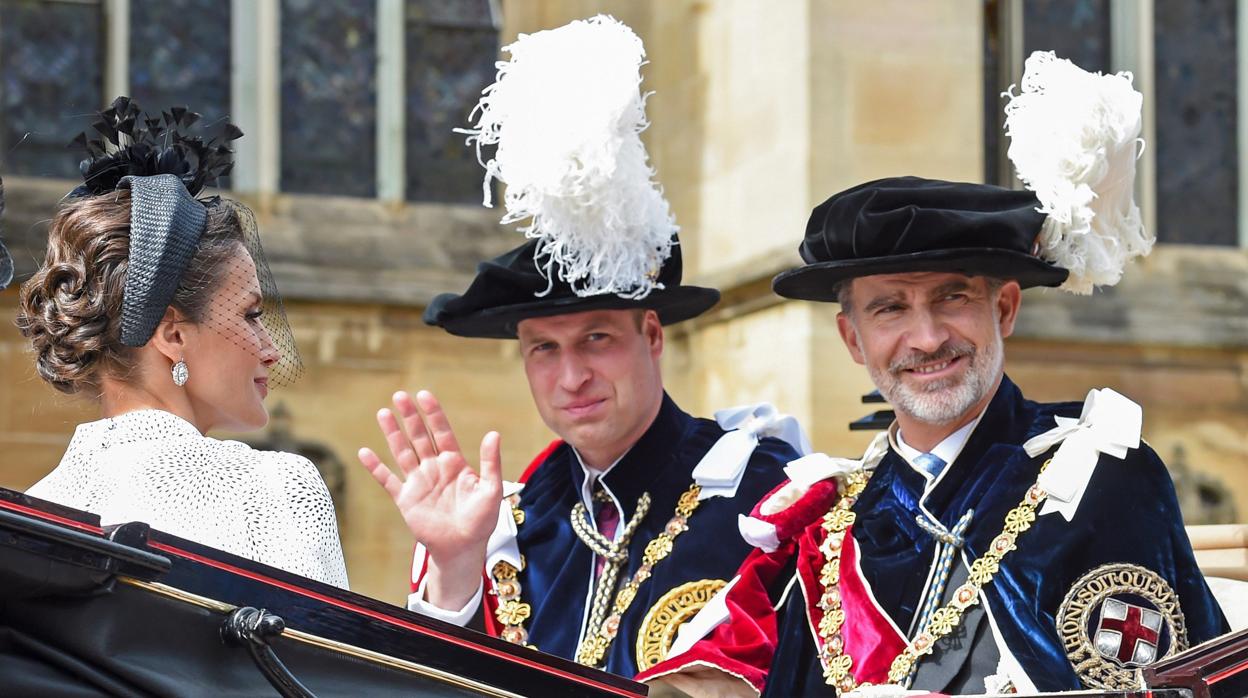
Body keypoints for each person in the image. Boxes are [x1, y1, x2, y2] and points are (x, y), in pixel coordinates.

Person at [637, 53, 1229, 696]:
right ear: (853, 339)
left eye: (952, 298)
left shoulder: (1097, 478)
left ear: (1003, 308)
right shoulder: (824, 530)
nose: (926, 338)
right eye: (890, 308)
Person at [357, 16, 804, 677]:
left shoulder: (763, 497)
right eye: (544, 349)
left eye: (596, 339)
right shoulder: (506, 523)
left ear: (651, 335)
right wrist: (454, 568)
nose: (571, 377)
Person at [16, 97, 348, 589]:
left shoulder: (34, 513)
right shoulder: (277, 489)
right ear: (172, 334)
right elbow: (329, 664)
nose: (271, 349)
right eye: (250, 315)